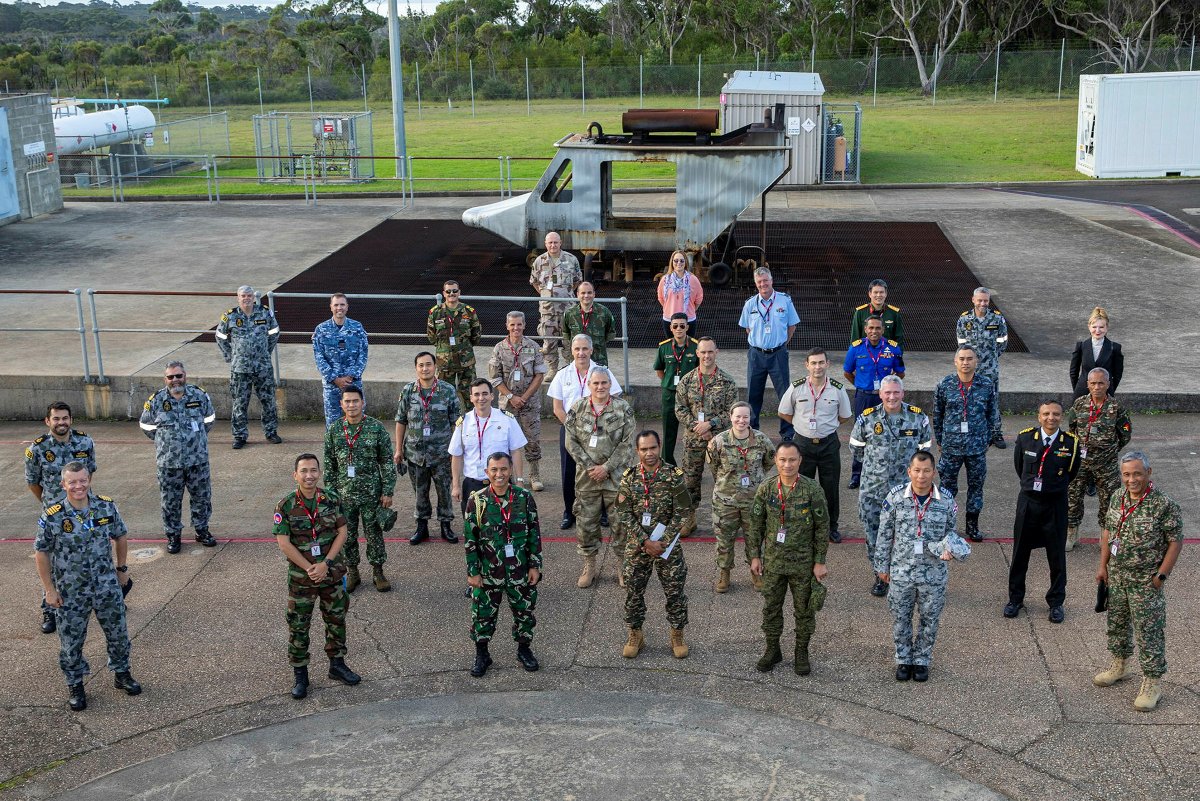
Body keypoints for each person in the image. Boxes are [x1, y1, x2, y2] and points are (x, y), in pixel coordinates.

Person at [35, 462, 141, 712]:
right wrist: (49, 590)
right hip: (71, 591)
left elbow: (121, 534)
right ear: (63, 484)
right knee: (71, 641)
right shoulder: (53, 515)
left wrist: (122, 568)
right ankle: (75, 685)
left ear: (89, 480)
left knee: (118, 633)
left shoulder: (106, 505)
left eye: (82, 480)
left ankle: (121, 673)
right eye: (72, 482)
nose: (78, 486)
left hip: (106, 585)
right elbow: (41, 553)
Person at [1093, 451, 1183, 712]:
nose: (1131, 479)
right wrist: (1103, 566)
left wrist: (1160, 577)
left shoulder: (1164, 505)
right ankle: (1119, 665)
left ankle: (1152, 682)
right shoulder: (1117, 497)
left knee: (1148, 632)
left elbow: (1175, 542)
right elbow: (1108, 531)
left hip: (1145, 581)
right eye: (1126, 474)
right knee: (1117, 623)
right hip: (1117, 576)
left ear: (1148, 473)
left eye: (1137, 473)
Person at [873, 451, 970, 683]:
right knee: (900, 617)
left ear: (934, 472)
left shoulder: (946, 500)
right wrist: (881, 567)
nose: (921, 476)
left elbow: (951, 532)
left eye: (927, 471)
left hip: (934, 572)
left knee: (930, 619)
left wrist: (950, 549)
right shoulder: (895, 498)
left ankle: (922, 660)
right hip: (901, 570)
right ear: (909, 472)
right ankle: (904, 659)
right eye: (917, 470)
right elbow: (884, 535)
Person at [273, 453, 361, 700]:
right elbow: (284, 543)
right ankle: (301, 674)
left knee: (336, 619)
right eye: (304, 471)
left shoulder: (331, 499)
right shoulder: (285, 505)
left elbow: (342, 532)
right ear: (295, 475)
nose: (309, 475)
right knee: (299, 624)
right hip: (302, 578)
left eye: (313, 470)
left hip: (330, 573)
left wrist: (325, 564)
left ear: (319, 473)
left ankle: (337, 664)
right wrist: (310, 568)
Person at [747, 441, 830, 676]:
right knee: (771, 608)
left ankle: (801, 652)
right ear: (776, 461)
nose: (787, 464)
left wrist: (820, 561)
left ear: (800, 460)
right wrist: (755, 556)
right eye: (782, 460)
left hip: (802, 563)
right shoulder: (767, 489)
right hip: (773, 562)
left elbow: (822, 527)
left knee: (804, 610)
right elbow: (755, 525)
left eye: (792, 459)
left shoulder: (812, 490)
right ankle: (773, 649)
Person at [849, 376, 933, 597]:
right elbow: (856, 449)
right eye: (887, 393)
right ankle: (880, 575)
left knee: (908, 535)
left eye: (896, 392)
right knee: (874, 534)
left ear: (903, 393)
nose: (892, 397)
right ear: (880, 394)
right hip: (873, 490)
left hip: (906, 491)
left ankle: (906, 577)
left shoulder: (917, 417)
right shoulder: (867, 419)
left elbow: (925, 451)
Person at [465, 452, 543, 678]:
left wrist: (534, 566)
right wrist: (473, 572)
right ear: (487, 472)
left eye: (504, 469)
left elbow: (534, 535)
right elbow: (470, 540)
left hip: (519, 570)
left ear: (511, 470)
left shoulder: (524, 497)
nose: (499, 474)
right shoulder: (477, 501)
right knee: (482, 615)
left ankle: (524, 650)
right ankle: (482, 654)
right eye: (494, 470)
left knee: (524, 613)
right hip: (489, 572)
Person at [616, 431, 693, 659]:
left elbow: (682, 510)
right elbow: (623, 511)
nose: (649, 453)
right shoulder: (629, 477)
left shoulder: (673, 475)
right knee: (633, 592)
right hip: (638, 546)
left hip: (667, 547)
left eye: (652, 448)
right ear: (637, 451)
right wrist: (644, 541)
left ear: (660, 447)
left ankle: (677, 634)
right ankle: (635, 634)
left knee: (675, 592)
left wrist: (663, 542)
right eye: (643, 449)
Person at [26, 402, 99, 634]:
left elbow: (90, 473)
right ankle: (50, 608)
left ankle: (102, 599)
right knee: (53, 560)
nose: (61, 423)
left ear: (71, 420)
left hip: (84, 511)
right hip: (54, 516)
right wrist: (51, 506)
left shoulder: (85, 442)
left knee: (92, 553)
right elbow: (33, 483)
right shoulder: (37, 449)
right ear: (48, 421)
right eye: (56, 419)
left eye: (65, 418)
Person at [1005, 400, 1081, 624]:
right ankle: (1015, 599)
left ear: (1062, 417)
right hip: (1028, 503)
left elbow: (1071, 472)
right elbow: (1021, 468)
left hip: (1055, 504)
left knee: (1056, 556)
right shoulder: (1026, 437)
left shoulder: (1071, 443)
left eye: (1056, 414)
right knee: (1020, 554)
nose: (1051, 418)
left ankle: (1056, 602)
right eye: (1046, 414)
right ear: (1039, 416)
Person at [564, 367, 637, 589]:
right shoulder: (578, 408)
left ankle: (622, 566)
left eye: (604, 383)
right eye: (596, 383)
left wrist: (606, 467)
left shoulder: (623, 408)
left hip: (616, 478)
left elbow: (627, 444)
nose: (600, 387)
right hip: (587, 478)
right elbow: (570, 441)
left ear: (609, 384)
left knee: (621, 523)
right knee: (586, 522)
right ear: (589, 385)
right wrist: (590, 467)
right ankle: (589, 565)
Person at [323, 386, 397, 594]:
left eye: (355, 401)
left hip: (372, 494)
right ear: (341, 404)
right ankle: (353, 571)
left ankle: (378, 572)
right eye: (347, 401)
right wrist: (330, 495)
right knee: (347, 535)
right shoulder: (335, 430)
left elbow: (386, 462)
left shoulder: (376, 428)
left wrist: (388, 491)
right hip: (344, 496)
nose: (351, 405)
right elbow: (329, 465)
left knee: (374, 533)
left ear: (363, 402)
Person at [547, 334, 624, 530]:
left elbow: (614, 399)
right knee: (568, 472)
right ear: (572, 351)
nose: (581, 353)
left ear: (591, 350)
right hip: (571, 433)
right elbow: (557, 408)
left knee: (600, 472)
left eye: (584, 349)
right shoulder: (562, 374)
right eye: (577, 349)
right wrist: (575, 431)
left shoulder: (602, 372)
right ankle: (568, 511)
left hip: (599, 433)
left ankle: (604, 512)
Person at [139, 361, 216, 554]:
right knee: (170, 501)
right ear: (165, 379)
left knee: (202, 498)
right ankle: (173, 535)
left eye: (178, 376)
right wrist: (163, 442)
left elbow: (209, 419)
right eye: (171, 377)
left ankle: (202, 530)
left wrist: (196, 440)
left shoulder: (199, 395)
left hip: (197, 460)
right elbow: (146, 425)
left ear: (185, 376)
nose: (175, 380)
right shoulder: (156, 400)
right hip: (169, 463)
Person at [778, 348, 852, 543]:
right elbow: (783, 412)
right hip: (802, 445)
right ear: (807, 365)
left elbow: (845, 416)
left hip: (828, 444)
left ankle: (831, 527)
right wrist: (799, 424)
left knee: (830, 488)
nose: (817, 367)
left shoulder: (837, 388)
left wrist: (827, 426)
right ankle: (801, 526)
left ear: (827, 364)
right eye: (814, 363)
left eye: (821, 363)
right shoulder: (797, 387)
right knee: (801, 487)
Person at [706, 401, 776, 593]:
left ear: (750, 418)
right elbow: (714, 468)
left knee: (754, 538)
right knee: (724, 541)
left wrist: (755, 481)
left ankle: (756, 571)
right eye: (737, 416)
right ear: (730, 417)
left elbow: (769, 461)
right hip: (725, 502)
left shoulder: (761, 440)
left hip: (753, 501)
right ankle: (724, 573)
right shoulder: (718, 442)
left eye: (745, 416)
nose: (741, 420)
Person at [932, 346, 999, 543]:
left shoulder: (986, 384)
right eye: (961, 358)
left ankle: (972, 525)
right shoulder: (945, 385)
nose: (965, 362)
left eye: (970, 358)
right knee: (947, 488)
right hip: (951, 446)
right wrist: (941, 441)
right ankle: (947, 525)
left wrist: (988, 439)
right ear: (955, 361)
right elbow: (938, 415)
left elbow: (992, 414)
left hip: (977, 447)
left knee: (976, 486)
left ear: (976, 361)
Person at [395, 351, 461, 545]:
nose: (425, 368)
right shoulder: (408, 391)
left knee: (444, 491)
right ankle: (421, 527)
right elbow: (401, 421)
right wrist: (399, 449)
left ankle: (446, 526)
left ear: (435, 367)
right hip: (416, 454)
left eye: (428, 364)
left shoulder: (447, 390)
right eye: (421, 365)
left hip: (442, 454)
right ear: (416, 368)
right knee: (420, 492)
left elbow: (457, 422)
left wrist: (455, 451)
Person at [674, 336, 738, 535]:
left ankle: (725, 520)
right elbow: (680, 408)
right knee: (690, 481)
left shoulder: (727, 381)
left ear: (716, 352)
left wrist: (710, 424)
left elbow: (733, 411)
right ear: (698, 353)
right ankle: (689, 520)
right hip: (694, 440)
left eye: (710, 351)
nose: (707, 355)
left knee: (723, 482)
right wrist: (697, 427)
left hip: (719, 442)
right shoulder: (688, 380)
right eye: (703, 352)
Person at [1066, 368, 1132, 551]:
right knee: (1072, 498)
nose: (1097, 387)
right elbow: (1072, 429)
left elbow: (1125, 434)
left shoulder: (1117, 408)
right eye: (1093, 383)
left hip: (1106, 464)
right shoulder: (1079, 405)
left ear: (1108, 384)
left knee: (1109, 500)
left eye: (1101, 383)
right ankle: (1071, 533)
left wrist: (1109, 450)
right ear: (1087, 384)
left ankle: (1106, 536)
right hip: (1081, 462)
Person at [488, 311, 548, 491]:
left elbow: (539, 375)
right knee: (505, 441)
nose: (516, 328)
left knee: (533, 439)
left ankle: (534, 475)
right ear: (507, 326)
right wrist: (511, 397)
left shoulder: (533, 346)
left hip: (529, 404)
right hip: (507, 405)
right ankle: (508, 476)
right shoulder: (499, 348)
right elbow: (495, 378)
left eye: (519, 324)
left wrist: (524, 397)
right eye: (512, 325)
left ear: (524, 325)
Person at [215, 285, 282, 449]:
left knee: (268, 402)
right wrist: (230, 355)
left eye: (249, 295)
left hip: (263, 367)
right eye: (243, 296)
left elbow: (275, 332)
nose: (246, 298)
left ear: (254, 297)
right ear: (238, 298)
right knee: (240, 403)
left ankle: (271, 432)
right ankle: (239, 436)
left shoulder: (265, 312)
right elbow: (220, 336)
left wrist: (266, 350)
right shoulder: (230, 316)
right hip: (240, 369)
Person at [739, 266, 800, 440]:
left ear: (771, 281)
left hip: (777, 355)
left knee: (784, 396)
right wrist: (760, 344)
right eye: (759, 282)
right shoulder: (750, 304)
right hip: (756, 355)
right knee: (753, 395)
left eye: (766, 280)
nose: (763, 284)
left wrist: (780, 345)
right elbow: (747, 329)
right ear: (755, 283)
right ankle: (752, 431)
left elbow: (792, 326)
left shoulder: (784, 301)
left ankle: (787, 433)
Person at [449, 379, 528, 515]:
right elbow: (456, 455)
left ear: (492, 396)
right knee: (473, 527)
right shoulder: (464, 423)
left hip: (501, 482)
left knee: (503, 525)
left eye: (485, 394)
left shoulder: (506, 420)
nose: (481, 398)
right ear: (471, 398)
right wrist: (455, 485)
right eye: (477, 394)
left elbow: (515, 452)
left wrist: (519, 480)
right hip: (473, 484)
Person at [844, 317, 904, 489]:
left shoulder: (893, 348)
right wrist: (860, 384)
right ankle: (857, 474)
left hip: (885, 399)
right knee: (860, 435)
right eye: (871, 328)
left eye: (878, 328)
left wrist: (887, 390)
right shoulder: (856, 348)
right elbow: (847, 372)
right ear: (865, 329)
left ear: (883, 330)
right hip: (864, 397)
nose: (874, 331)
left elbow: (900, 373)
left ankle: (889, 472)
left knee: (889, 432)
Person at [956, 287, 1008, 448]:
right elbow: (961, 344)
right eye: (979, 300)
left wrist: (991, 357)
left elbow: (1003, 341)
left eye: (985, 300)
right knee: (969, 400)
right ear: (973, 300)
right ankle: (972, 433)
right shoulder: (964, 320)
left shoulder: (997, 319)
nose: (983, 303)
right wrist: (969, 362)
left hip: (990, 368)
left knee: (992, 400)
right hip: (969, 370)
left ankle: (995, 433)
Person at [529, 231, 583, 376]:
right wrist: (545, 295)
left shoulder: (571, 259)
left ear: (560, 243)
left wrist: (565, 293)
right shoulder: (539, 261)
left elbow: (577, 280)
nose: (553, 245)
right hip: (547, 310)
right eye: (550, 243)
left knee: (569, 340)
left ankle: (570, 369)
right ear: (545, 244)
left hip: (568, 309)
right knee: (549, 341)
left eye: (555, 242)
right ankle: (552, 369)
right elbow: (534, 282)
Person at [312, 293, 369, 429]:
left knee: (356, 422)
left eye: (342, 304)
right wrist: (335, 379)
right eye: (336, 305)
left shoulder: (357, 328)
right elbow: (319, 357)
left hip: (353, 384)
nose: (339, 308)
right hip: (332, 386)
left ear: (347, 307)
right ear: (331, 307)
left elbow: (363, 354)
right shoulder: (321, 329)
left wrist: (350, 377)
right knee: (333, 425)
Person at [653, 313, 700, 466]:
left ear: (687, 327)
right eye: (675, 326)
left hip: (690, 396)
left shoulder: (696, 346)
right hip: (670, 394)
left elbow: (700, 370)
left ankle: (692, 466)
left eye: (682, 325)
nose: (678, 329)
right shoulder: (664, 347)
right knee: (668, 431)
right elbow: (660, 370)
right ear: (670, 328)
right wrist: (671, 384)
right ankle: (668, 464)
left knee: (693, 431)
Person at [427, 280, 482, 409]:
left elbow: (476, 335)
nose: (452, 293)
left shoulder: (469, 312)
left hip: (466, 361)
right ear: (444, 294)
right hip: (445, 363)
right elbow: (431, 337)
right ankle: (448, 426)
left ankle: (472, 425)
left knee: (471, 396)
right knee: (443, 396)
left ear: (459, 292)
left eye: (454, 291)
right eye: (448, 291)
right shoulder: (435, 312)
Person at [1070, 306, 1124, 399]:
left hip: (1106, 394)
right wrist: (1078, 389)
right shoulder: (1081, 346)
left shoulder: (1114, 347)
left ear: (1107, 327)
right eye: (1094, 327)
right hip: (1082, 393)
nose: (1097, 331)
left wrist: (1109, 388)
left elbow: (1117, 373)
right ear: (1089, 327)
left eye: (1101, 327)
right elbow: (1073, 372)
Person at [561, 282, 617, 366]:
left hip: (599, 360)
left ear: (594, 294)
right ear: (578, 294)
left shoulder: (604, 312)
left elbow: (610, 334)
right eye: (583, 293)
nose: (586, 296)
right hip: (577, 361)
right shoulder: (569, 313)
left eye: (589, 292)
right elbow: (567, 334)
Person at [656, 250, 703, 338]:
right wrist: (670, 308)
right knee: (672, 348)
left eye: (682, 261)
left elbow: (699, 299)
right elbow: (661, 298)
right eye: (676, 260)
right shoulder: (664, 280)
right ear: (672, 262)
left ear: (685, 262)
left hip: (688, 319)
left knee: (688, 349)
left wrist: (690, 310)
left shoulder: (693, 280)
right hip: (669, 320)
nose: (679, 263)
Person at [849, 279, 904, 348]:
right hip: (866, 354)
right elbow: (855, 338)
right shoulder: (860, 312)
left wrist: (897, 356)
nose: (878, 295)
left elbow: (899, 339)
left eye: (881, 292)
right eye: (875, 292)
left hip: (887, 355)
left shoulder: (894, 313)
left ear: (886, 294)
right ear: (870, 294)